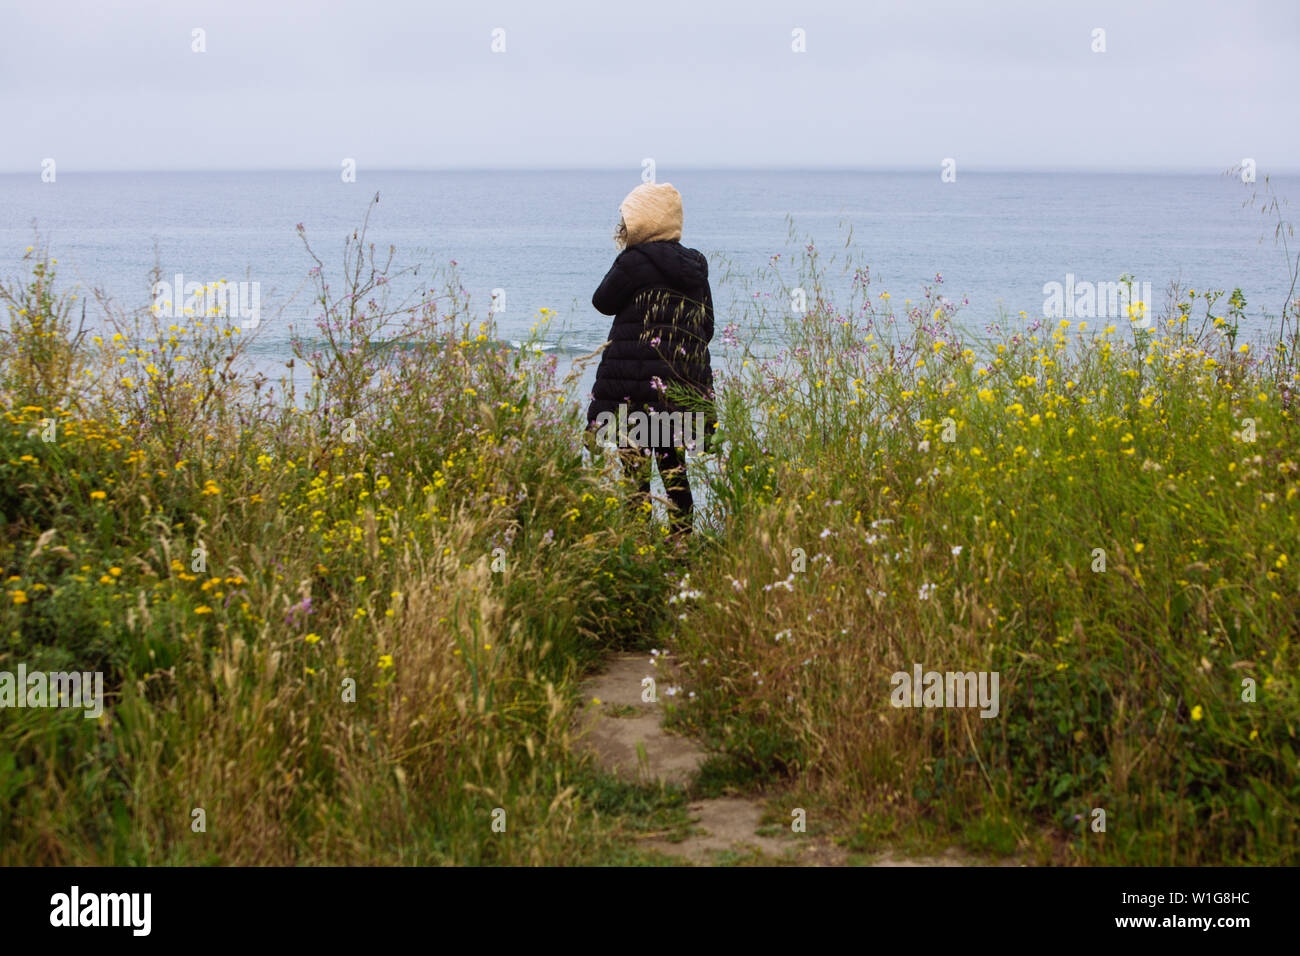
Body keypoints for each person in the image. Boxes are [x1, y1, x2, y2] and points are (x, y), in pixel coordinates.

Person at [586, 182, 717, 538]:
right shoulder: (695, 266)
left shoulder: (633, 262)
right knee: (676, 473)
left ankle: (639, 550)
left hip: (631, 391)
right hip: (676, 391)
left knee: (635, 479)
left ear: (639, 223)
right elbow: (706, 327)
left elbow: (602, 302)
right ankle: (681, 548)